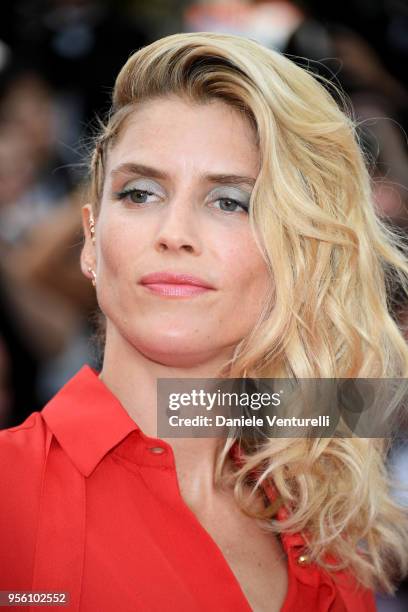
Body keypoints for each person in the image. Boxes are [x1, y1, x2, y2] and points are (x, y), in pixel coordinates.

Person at [1, 31, 408, 612]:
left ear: (292, 252)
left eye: (229, 202)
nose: (174, 233)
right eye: (140, 193)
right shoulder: (10, 495)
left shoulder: (327, 527)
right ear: (90, 239)